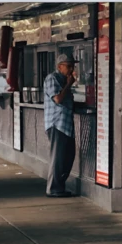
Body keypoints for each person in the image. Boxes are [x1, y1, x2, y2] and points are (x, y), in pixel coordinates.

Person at [43, 53, 77, 198]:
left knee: (68, 156)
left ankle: (60, 186)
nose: (71, 69)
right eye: (68, 66)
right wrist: (69, 84)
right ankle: (53, 188)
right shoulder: (53, 78)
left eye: (72, 66)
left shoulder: (64, 80)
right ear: (59, 66)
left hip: (66, 124)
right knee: (58, 158)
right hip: (57, 123)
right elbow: (58, 99)